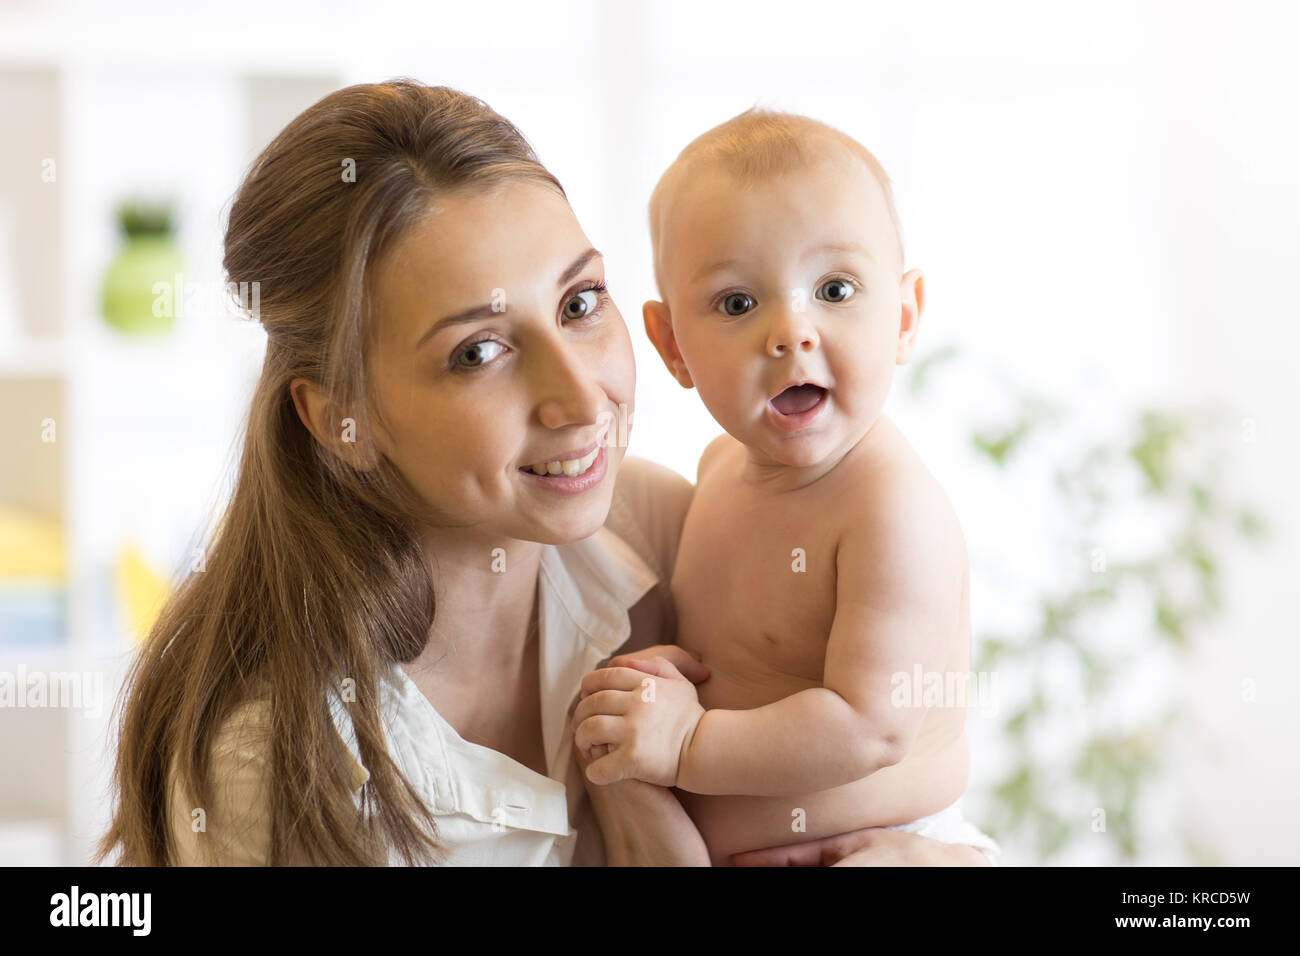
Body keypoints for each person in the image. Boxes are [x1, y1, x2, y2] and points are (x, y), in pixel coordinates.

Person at [96, 81, 983, 866]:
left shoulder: (662, 528)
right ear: (343, 421)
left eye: (579, 303)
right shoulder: (275, 769)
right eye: (478, 351)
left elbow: (894, 771)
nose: (580, 396)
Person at [572, 108, 1001, 865]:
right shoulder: (712, 477)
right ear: (673, 347)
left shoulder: (890, 509)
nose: (790, 332)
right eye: (738, 303)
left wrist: (691, 740)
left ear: (903, 318)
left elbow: (872, 726)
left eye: (834, 290)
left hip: (887, 847)